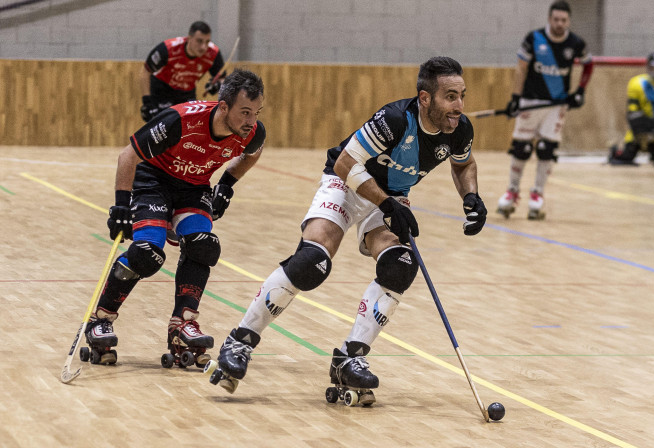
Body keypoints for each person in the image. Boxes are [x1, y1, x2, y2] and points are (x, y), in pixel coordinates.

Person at [205, 57, 487, 402]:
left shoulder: (460, 130)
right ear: (425, 98)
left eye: (461, 96)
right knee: (312, 261)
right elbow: (345, 163)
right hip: (347, 183)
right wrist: (387, 205)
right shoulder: (395, 120)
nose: (458, 106)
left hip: (391, 196)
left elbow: (464, 164)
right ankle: (240, 340)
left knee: (400, 265)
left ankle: (350, 356)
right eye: (449, 97)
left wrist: (471, 196)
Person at [83, 69, 266, 368]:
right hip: (154, 180)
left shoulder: (253, 132)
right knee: (147, 253)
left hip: (192, 188)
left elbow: (252, 152)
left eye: (256, 112)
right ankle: (99, 319)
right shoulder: (180, 121)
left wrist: (226, 185)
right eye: (244, 112)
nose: (251, 121)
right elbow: (129, 155)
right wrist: (120, 207)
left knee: (204, 246)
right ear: (223, 107)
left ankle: (182, 324)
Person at [497, 0, 593, 220]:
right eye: (556, 19)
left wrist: (580, 90)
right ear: (550, 19)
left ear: (568, 21)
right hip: (531, 101)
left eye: (564, 20)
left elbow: (589, 64)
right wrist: (515, 98)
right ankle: (512, 191)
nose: (559, 24)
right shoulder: (534, 39)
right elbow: (521, 69)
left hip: (557, 105)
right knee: (521, 148)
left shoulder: (575, 43)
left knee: (546, 148)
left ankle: (537, 195)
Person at [139, 21, 227, 122]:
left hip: (187, 92)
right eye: (199, 41)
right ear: (189, 38)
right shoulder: (168, 49)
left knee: (191, 125)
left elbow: (223, 79)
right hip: (162, 90)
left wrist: (217, 85)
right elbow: (145, 71)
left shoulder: (213, 53)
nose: (203, 47)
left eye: (207, 42)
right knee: (165, 126)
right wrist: (146, 102)